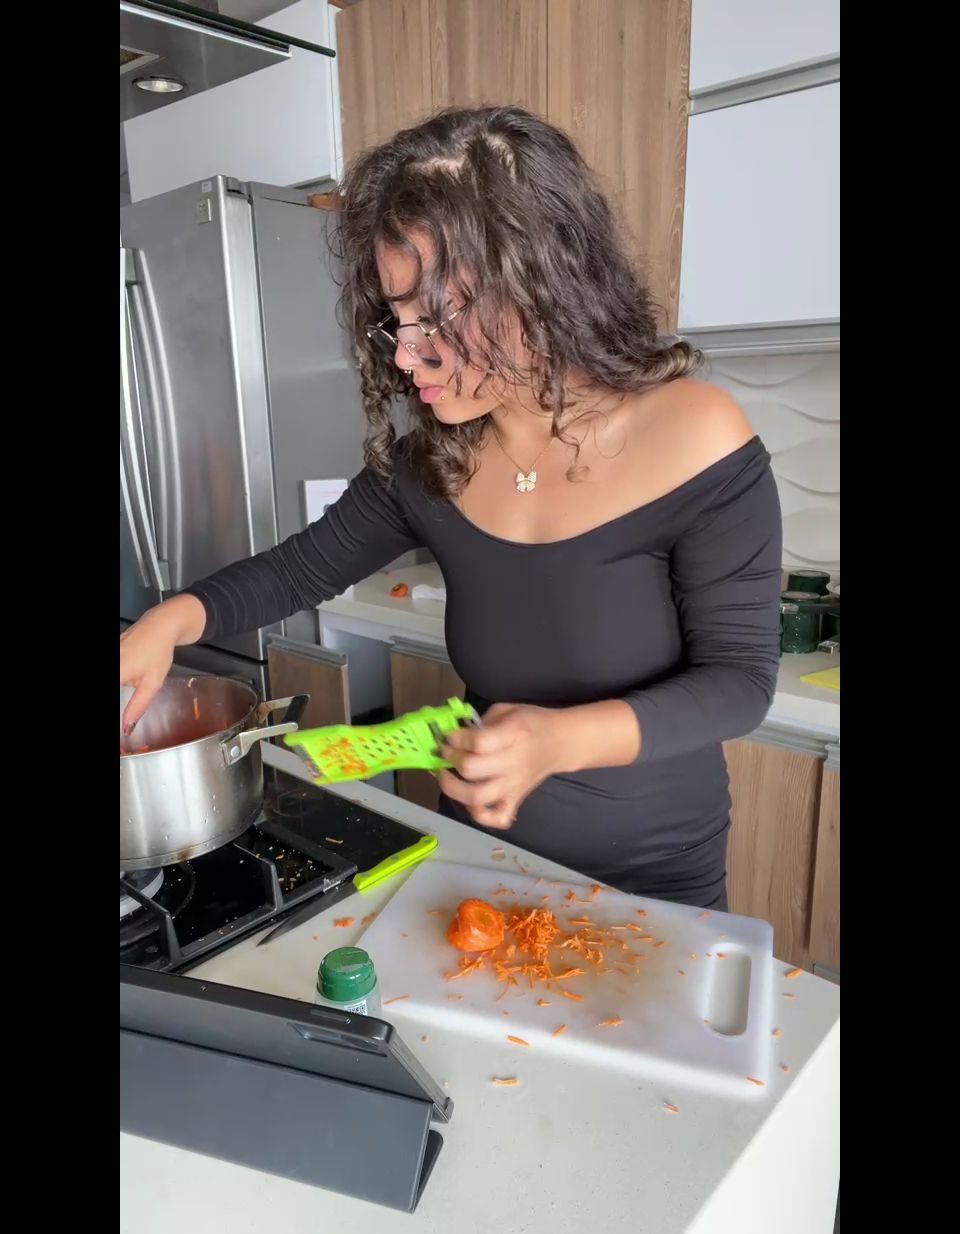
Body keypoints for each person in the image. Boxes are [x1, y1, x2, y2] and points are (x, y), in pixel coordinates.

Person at [120, 105, 783, 910]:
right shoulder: (434, 460)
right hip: (480, 853)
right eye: (394, 320)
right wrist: (169, 622)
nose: (405, 355)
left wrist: (558, 739)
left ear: (543, 283)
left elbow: (738, 682)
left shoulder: (693, 433)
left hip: (655, 876)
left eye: (433, 318)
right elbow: (299, 571)